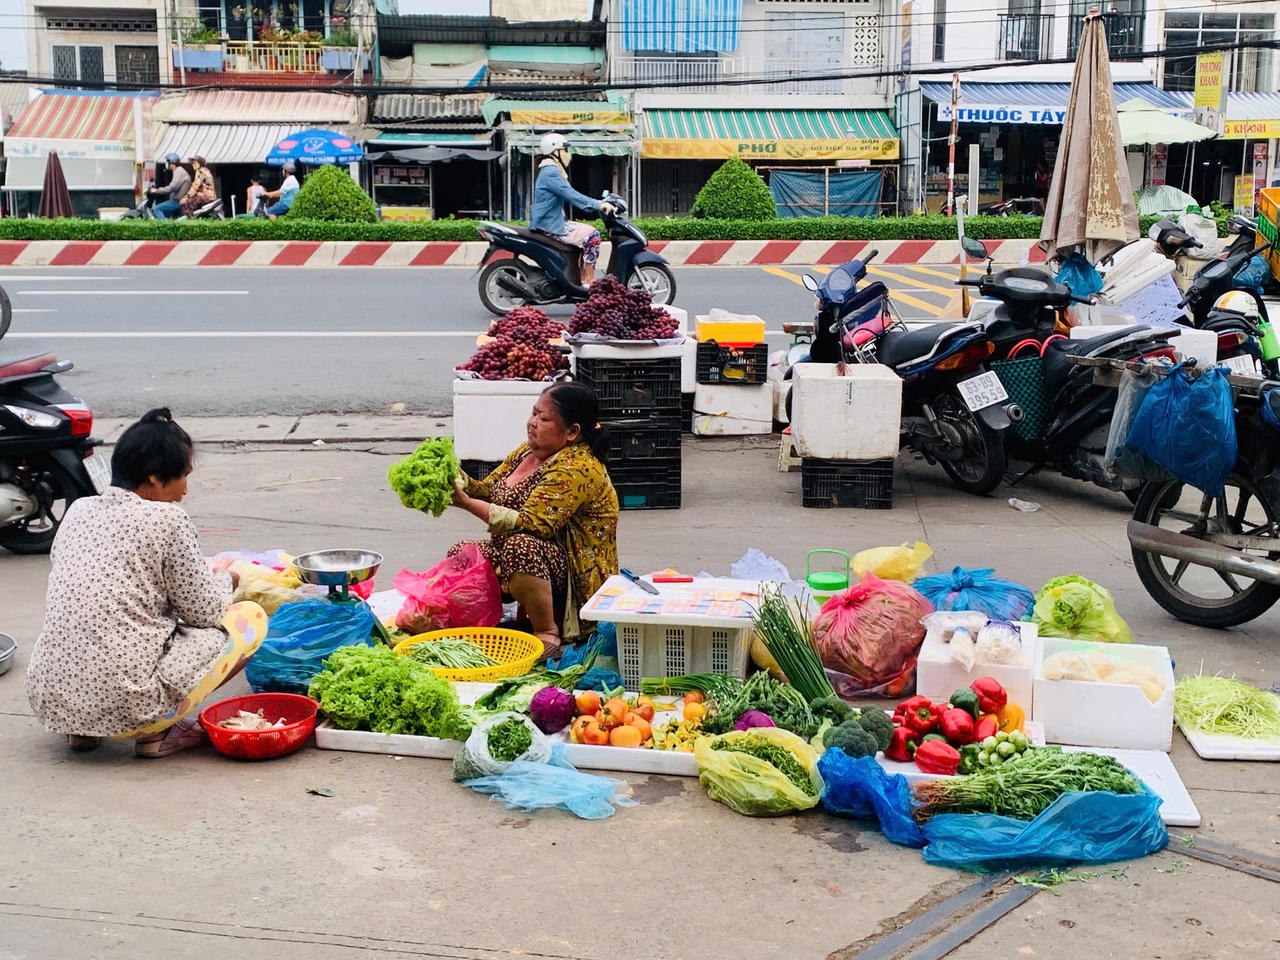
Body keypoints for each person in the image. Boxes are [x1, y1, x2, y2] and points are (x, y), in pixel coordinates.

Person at [25, 409, 268, 758]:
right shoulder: (168, 518)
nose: (185, 489)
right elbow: (203, 613)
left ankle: (81, 732)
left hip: (54, 698)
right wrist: (226, 579)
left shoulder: (78, 510)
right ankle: (158, 732)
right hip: (130, 702)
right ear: (153, 478)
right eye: (183, 476)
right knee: (248, 618)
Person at [450, 382, 619, 656]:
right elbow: (489, 490)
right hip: (525, 556)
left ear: (572, 432)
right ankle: (484, 623)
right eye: (533, 413)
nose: (532, 423)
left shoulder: (578, 467)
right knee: (462, 554)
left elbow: (533, 525)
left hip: (573, 574)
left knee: (521, 546)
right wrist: (454, 479)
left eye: (544, 419)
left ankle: (547, 632)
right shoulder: (528, 452)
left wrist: (467, 504)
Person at [530, 133, 615, 285]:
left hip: (551, 222)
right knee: (592, 234)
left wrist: (597, 203)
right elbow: (572, 195)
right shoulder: (551, 172)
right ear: (555, 152)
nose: (568, 154)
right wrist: (598, 205)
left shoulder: (549, 170)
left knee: (584, 235)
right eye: (565, 150)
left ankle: (581, 277)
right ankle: (589, 279)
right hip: (550, 226)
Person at [150, 153, 191, 220]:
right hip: (177, 200)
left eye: (167, 162)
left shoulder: (178, 172)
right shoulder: (179, 171)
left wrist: (157, 190)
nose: (166, 164)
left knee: (156, 209)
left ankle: (165, 226)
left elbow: (172, 187)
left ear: (171, 163)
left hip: (176, 201)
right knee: (167, 215)